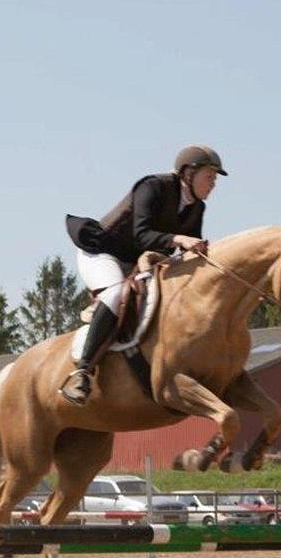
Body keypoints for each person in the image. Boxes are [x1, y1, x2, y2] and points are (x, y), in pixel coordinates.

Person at [61, 145, 228, 406]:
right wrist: (178, 238)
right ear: (188, 173)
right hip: (102, 253)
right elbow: (142, 234)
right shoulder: (153, 187)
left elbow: (188, 254)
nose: (213, 184)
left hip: (138, 263)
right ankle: (82, 372)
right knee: (116, 293)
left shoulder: (197, 208)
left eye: (215, 179)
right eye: (210, 176)